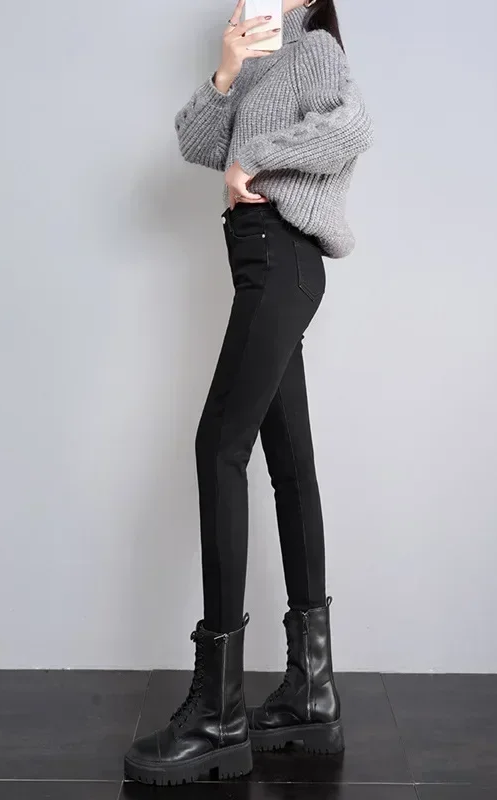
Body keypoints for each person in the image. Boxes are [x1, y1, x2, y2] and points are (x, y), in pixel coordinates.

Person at [124, 0, 374, 785]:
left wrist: (256, 158)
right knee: (289, 467)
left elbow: (352, 127)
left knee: (218, 446)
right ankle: (311, 692)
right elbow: (198, 144)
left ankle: (219, 712)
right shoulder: (257, 54)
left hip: (282, 259)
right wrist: (226, 72)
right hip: (261, 266)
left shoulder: (314, 47)